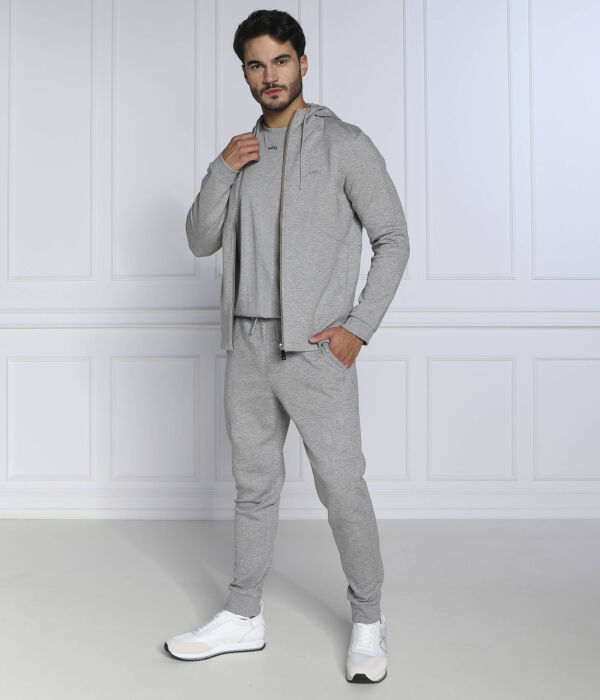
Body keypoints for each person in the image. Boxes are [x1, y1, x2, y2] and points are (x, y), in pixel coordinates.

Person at [164, 9, 409, 684]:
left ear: (302, 63)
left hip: (314, 351)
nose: (269, 75)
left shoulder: (345, 144)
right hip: (247, 347)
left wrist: (357, 327)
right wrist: (221, 167)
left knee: (342, 486)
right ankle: (243, 614)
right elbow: (199, 239)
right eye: (255, 64)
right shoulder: (240, 153)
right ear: (244, 72)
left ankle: (369, 619)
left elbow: (393, 238)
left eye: (280, 60)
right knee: (254, 486)